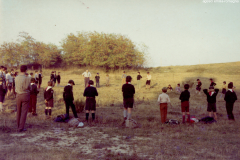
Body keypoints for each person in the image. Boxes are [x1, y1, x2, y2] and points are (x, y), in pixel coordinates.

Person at [15, 65, 31, 132]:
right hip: (25, 95)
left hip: (18, 95)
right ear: (26, 70)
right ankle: (21, 128)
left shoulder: (16, 77)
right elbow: (27, 87)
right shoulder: (27, 78)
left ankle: (18, 125)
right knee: (24, 112)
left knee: (18, 111)